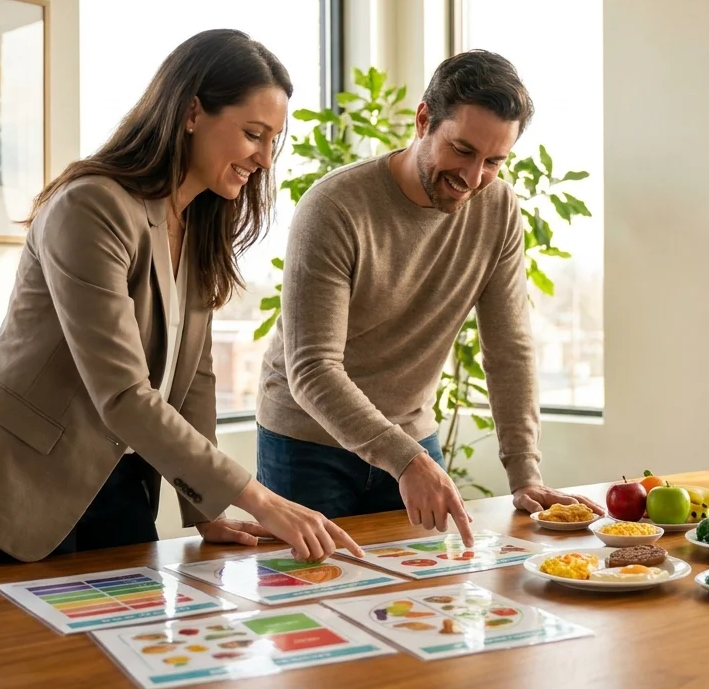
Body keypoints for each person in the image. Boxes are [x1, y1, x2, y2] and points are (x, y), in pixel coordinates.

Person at [0, 29, 363, 569]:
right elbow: (124, 393)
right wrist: (262, 499)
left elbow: (194, 379)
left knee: (130, 649)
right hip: (12, 480)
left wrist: (207, 510)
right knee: (25, 655)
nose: (266, 158)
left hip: (119, 481)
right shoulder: (92, 207)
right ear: (192, 112)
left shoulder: (198, 224)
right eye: (253, 134)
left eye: (274, 140)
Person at [254, 50, 605, 546]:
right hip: (308, 443)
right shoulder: (335, 207)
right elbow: (312, 369)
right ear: (423, 120)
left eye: (494, 161)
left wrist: (526, 475)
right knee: (314, 603)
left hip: (411, 434)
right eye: (462, 150)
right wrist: (408, 460)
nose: (473, 176)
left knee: (428, 606)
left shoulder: (498, 209)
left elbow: (509, 349)